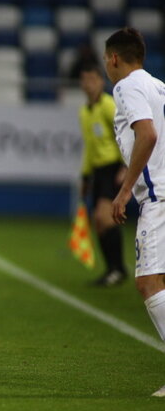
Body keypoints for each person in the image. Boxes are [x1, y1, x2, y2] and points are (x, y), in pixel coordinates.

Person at [103, 27, 165, 397]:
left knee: (148, 282)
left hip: (158, 197)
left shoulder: (126, 87)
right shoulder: (158, 86)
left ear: (113, 58)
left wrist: (125, 189)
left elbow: (148, 134)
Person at [77, 63, 128, 286]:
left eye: (92, 79)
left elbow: (124, 137)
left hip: (112, 168)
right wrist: (86, 177)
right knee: (99, 222)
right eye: (84, 79)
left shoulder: (108, 106)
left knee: (104, 218)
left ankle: (118, 269)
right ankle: (112, 269)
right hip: (98, 171)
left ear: (100, 81)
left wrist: (126, 167)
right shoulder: (85, 111)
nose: (87, 84)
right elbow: (89, 147)